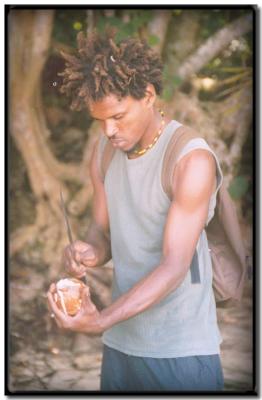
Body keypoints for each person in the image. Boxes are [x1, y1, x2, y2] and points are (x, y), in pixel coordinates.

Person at [47, 30, 224, 392]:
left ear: (148, 95)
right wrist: (89, 251)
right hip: (121, 343)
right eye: (99, 120)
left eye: (117, 116)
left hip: (180, 350)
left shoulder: (190, 159)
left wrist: (100, 321)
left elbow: (175, 266)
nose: (109, 130)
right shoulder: (105, 151)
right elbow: (103, 232)